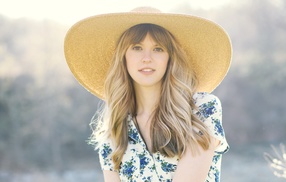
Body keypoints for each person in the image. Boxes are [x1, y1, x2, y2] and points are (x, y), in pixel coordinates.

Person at [64, 7, 232, 182]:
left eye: (158, 49)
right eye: (137, 47)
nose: (146, 58)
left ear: (170, 58)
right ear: (123, 57)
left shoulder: (201, 109)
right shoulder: (113, 132)